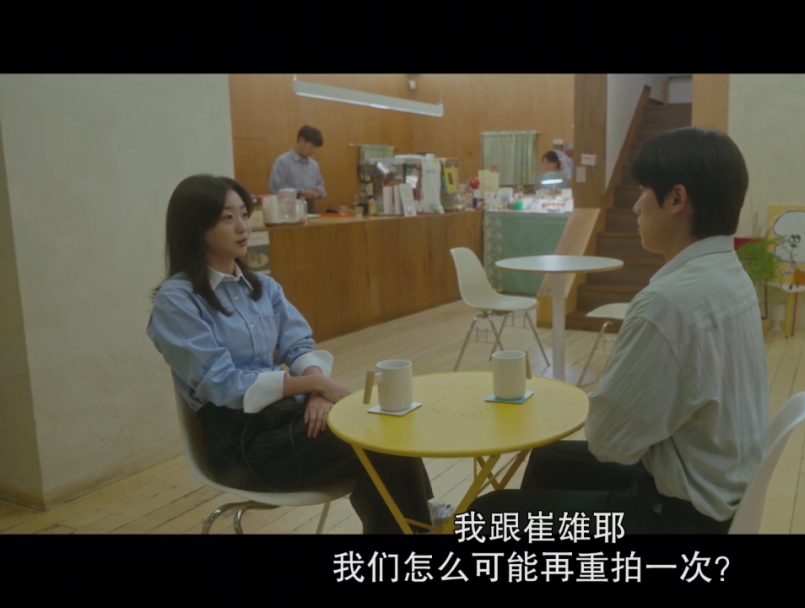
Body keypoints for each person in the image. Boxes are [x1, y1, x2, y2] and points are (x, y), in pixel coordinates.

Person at [467, 127, 769, 535]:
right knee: (547, 459)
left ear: (677, 199)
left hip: (677, 517)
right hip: (719, 488)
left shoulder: (668, 303)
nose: (636, 206)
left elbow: (609, 442)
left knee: (485, 516)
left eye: (644, 190)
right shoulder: (732, 275)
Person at [147, 174, 451, 533]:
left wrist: (317, 389)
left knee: (383, 432)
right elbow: (222, 384)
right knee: (376, 443)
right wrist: (313, 385)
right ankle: (422, 525)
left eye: (244, 213)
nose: (243, 226)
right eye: (228, 217)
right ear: (197, 228)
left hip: (286, 416)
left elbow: (299, 346)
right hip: (241, 444)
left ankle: (417, 527)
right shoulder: (177, 300)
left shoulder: (263, 287)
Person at [269, 125, 326, 209]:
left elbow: (321, 188)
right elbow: (276, 189)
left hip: (309, 207)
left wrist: (319, 192)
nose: (313, 151)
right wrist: (299, 192)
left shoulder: (314, 165)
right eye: (311, 146)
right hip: (288, 207)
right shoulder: (282, 162)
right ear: (301, 140)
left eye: (316, 148)